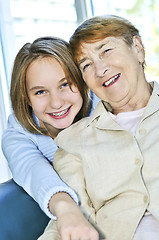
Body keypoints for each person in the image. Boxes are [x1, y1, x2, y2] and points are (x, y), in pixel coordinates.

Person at [39, 15, 159, 240]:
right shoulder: (73, 141)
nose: (100, 68)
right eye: (86, 64)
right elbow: (69, 222)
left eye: (106, 51)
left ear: (137, 48)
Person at [1, 36, 99, 240]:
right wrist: (66, 209)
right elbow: (33, 170)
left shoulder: (102, 104)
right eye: (40, 92)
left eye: (65, 84)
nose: (56, 103)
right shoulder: (17, 134)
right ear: (26, 97)